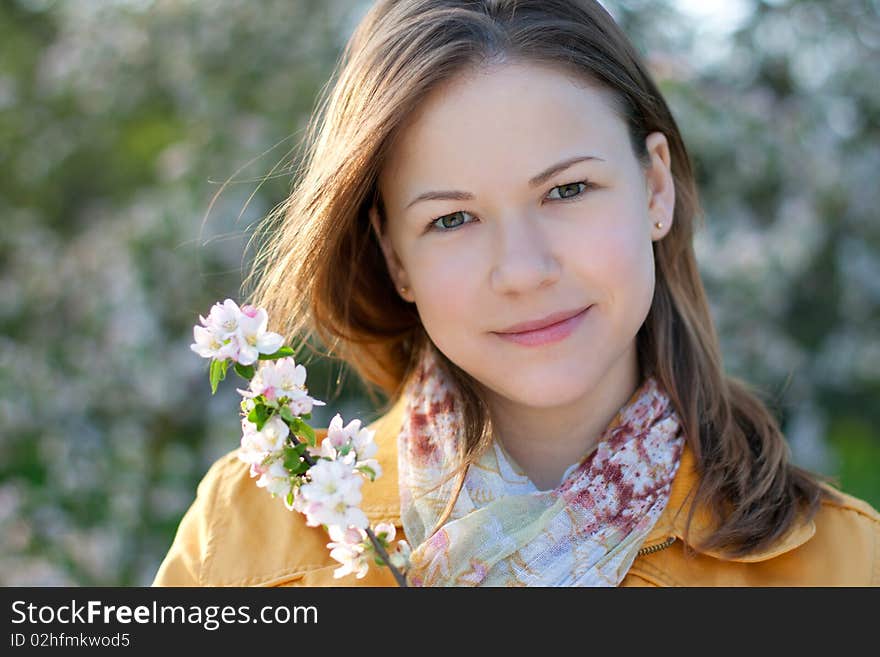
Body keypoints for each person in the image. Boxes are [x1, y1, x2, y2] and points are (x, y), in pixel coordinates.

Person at [153, 0, 879, 587]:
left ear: (654, 187)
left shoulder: (844, 567)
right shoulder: (250, 533)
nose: (523, 269)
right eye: (452, 218)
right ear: (393, 256)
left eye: (567, 190)